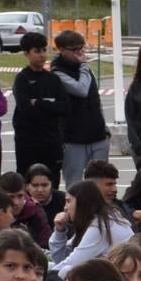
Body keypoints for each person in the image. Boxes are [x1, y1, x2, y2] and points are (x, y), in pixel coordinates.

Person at [53, 31, 111, 184]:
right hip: (73, 138)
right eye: (75, 49)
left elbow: (95, 99)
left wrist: (104, 128)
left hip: (97, 135)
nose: (80, 53)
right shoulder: (57, 72)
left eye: (82, 48)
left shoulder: (84, 69)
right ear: (62, 50)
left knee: (101, 181)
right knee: (75, 183)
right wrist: (84, 65)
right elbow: (81, 90)